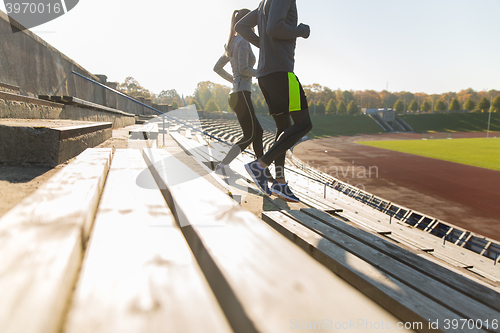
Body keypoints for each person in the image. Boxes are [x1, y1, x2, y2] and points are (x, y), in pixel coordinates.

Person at [235, 0, 312, 203]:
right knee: (304, 124)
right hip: (281, 72)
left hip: (266, 75)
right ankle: (259, 165)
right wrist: (302, 30)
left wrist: (263, 44)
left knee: (283, 127)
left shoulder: (264, 3)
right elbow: (275, 28)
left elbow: (240, 26)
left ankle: (280, 182)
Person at [213, 9, 265, 173]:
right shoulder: (243, 41)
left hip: (237, 93)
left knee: (257, 132)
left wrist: (233, 80)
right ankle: (223, 165)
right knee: (250, 135)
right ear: (247, 22)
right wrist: (261, 72)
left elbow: (217, 68)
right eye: (253, 23)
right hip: (241, 93)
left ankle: (262, 168)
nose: (255, 27)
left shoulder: (232, 42)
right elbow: (243, 69)